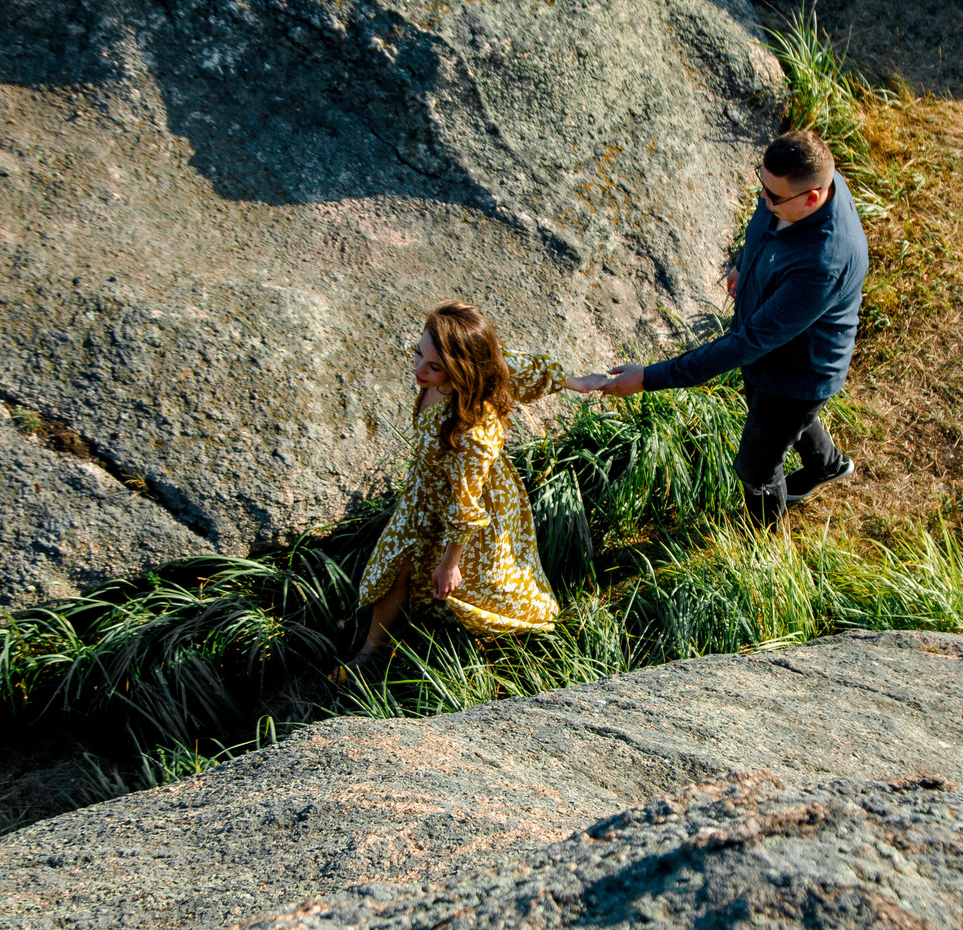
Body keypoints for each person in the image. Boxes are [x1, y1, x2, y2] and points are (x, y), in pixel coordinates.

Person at [591, 128, 867, 525]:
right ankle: (828, 466)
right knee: (787, 421)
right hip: (772, 356)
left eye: (772, 196)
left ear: (813, 198)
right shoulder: (797, 189)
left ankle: (761, 540)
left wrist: (649, 378)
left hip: (796, 374)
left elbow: (747, 343)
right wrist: (745, 261)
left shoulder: (824, 263)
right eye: (762, 184)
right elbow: (764, 226)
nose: (762, 199)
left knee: (755, 467)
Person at [344, 300, 607, 676]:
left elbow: (466, 507)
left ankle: (521, 643)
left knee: (485, 585)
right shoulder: (481, 366)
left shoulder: (474, 430)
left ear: (463, 369)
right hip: (425, 496)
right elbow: (523, 365)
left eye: (434, 367)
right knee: (396, 565)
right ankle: (368, 654)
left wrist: (451, 563)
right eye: (418, 354)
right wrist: (575, 382)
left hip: (475, 506)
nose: (419, 370)